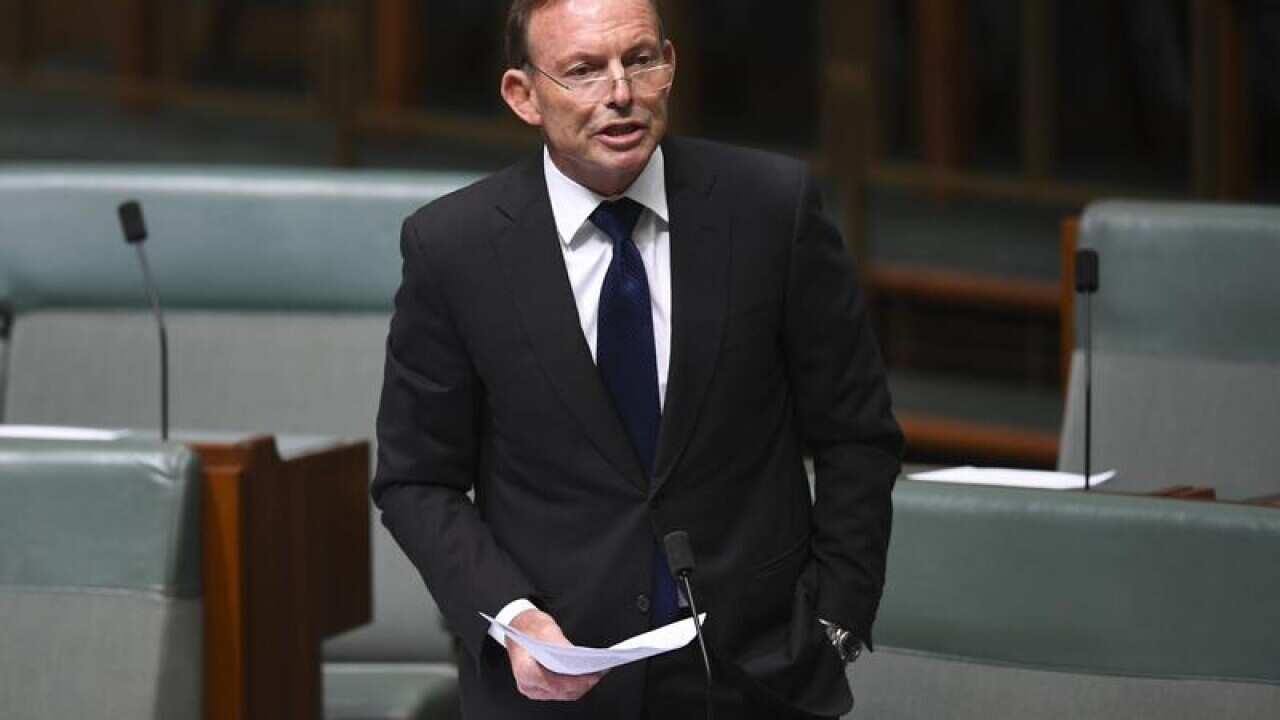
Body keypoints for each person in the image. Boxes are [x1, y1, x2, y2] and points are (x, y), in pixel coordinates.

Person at [372, 0, 902, 717]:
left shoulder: (770, 211)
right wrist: (510, 618)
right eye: (584, 70)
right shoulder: (454, 249)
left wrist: (835, 621)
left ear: (671, 66)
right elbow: (416, 479)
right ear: (522, 95)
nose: (619, 92)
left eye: (640, 59)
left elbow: (856, 434)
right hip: (557, 683)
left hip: (758, 676)